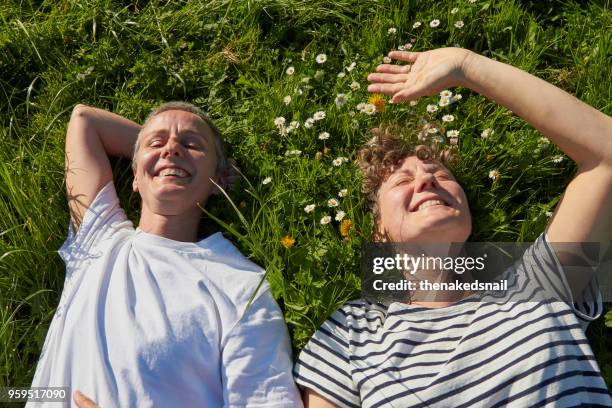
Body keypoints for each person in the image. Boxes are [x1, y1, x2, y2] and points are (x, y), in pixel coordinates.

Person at [294, 47, 612, 407]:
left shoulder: (539, 282)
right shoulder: (353, 332)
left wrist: (467, 66)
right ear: (377, 230)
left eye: (440, 176)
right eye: (401, 182)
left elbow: (608, 155)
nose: (426, 183)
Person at [28, 102, 302, 407]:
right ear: (134, 177)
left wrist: (177, 158)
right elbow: (85, 120)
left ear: (220, 182)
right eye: (156, 142)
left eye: (190, 143)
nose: (171, 148)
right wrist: (182, 158)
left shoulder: (241, 287)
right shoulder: (99, 242)